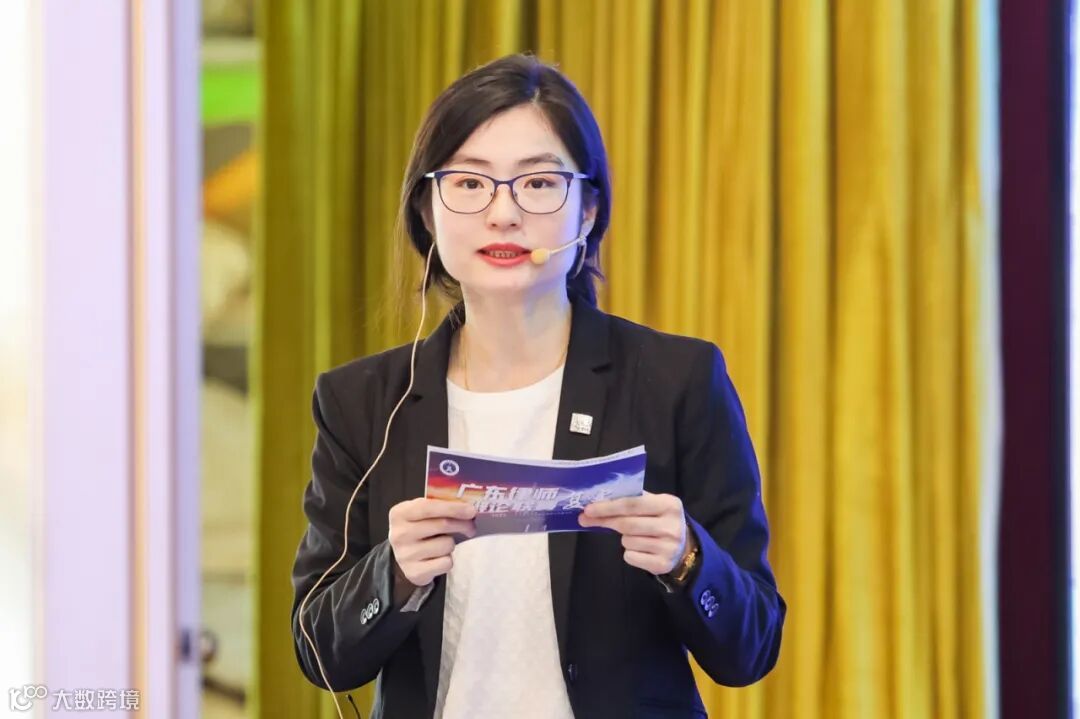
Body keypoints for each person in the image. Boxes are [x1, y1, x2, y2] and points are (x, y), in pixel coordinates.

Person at [290, 53, 785, 719]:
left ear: (587, 211)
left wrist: (687, 558)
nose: (503, 213)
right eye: (470, 183)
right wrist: (393, 573)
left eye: (539, 183)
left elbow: (752, 647)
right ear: (428, 210)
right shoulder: (363, 402)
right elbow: (318, 651)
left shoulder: (677, 381)